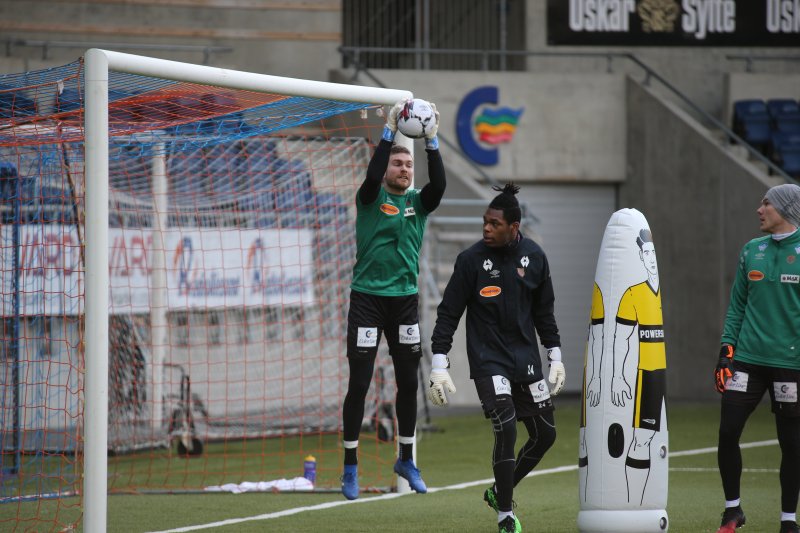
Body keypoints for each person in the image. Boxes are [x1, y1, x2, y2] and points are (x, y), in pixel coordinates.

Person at [427, 183, 565, 533]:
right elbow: (448, 313)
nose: (486, 228)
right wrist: (439, 362)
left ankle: (498, 490)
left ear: (514, 227)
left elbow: (544, 313)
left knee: (546, 435)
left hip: (526, 359)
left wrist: (555, 355)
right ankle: (505, 515)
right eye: (484, 222)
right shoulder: (470, 261)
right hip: (489, 360)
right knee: (506, 426)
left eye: (494, 224)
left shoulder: (535, 257)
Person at [340, 99, 445, 500]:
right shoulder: (369, 197)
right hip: (367, 300)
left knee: (407, 383)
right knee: (360, 383)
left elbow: (440, 186)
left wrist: (432, 140)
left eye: (408, 165)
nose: (404, 169)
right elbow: (371, 175)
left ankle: (406, 459)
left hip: (404, 303)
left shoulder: (418, 202)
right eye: (398, 164)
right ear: (386, 169)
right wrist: (388, 130)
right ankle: (350, 466)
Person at [715, 183, 800, 533]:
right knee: (727, 432)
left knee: (792, 443)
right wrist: (726, 351)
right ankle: (732, 510)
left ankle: (788, 520)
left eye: (767, 203)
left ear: (786, 209)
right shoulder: (751, 250)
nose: (759, 209)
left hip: (790, 367)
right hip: (746, 361)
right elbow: (737, 306)